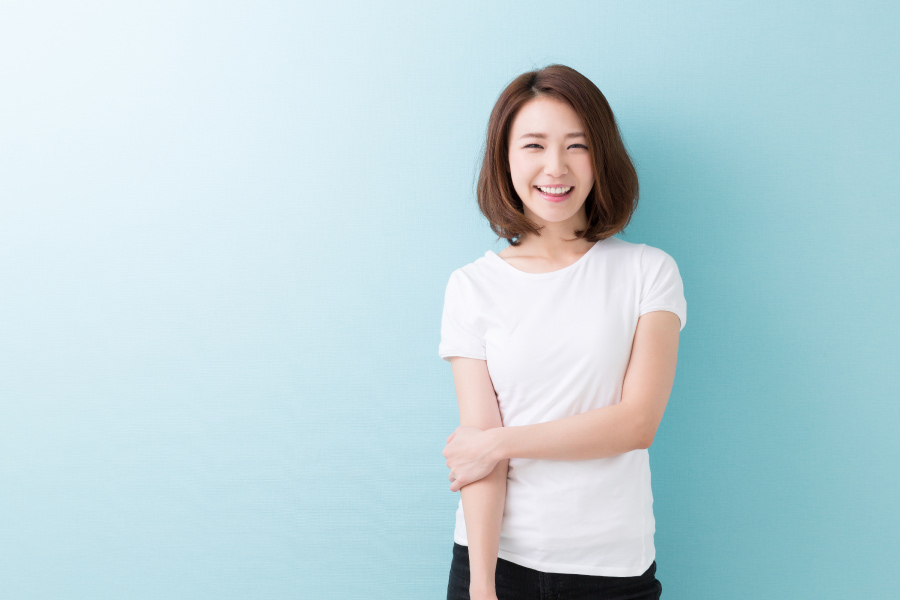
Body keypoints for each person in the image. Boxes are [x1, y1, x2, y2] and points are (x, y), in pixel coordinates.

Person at [438, 64, 686, 600]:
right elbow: (480, 455)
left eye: (577, 146)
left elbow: (636, 423)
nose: (556, 167)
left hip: (613, 571)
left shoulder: (649, 272)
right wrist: (482, 587)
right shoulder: (471, 286)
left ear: (602, 158)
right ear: (505, 159)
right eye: (534, 145)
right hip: (497, 562)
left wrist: (500, 444)